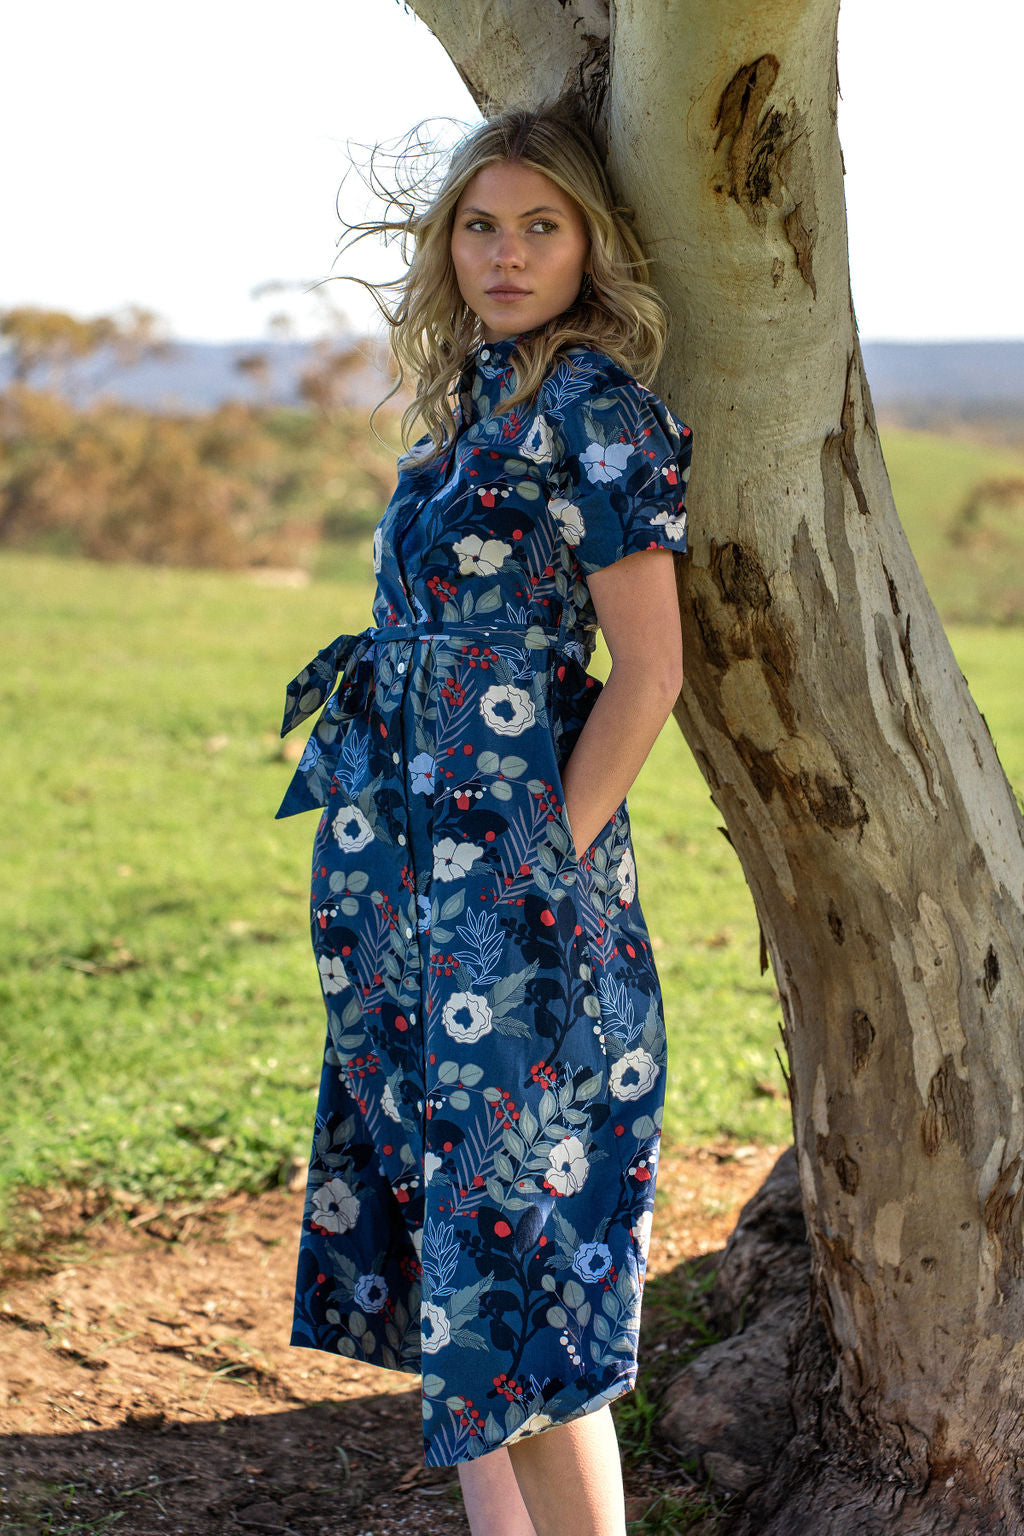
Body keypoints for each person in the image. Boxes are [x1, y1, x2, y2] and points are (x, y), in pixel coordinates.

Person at [275, 100, 692, 1536]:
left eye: (540, 227)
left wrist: (539, 869)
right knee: (455, 1272)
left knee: (525, 1303)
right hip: (405, 888)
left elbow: (652, 671)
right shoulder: (473, 404)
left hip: (512, 911)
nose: (504, 255)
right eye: (479, 225)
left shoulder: (599, 412)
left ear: (593, 245)